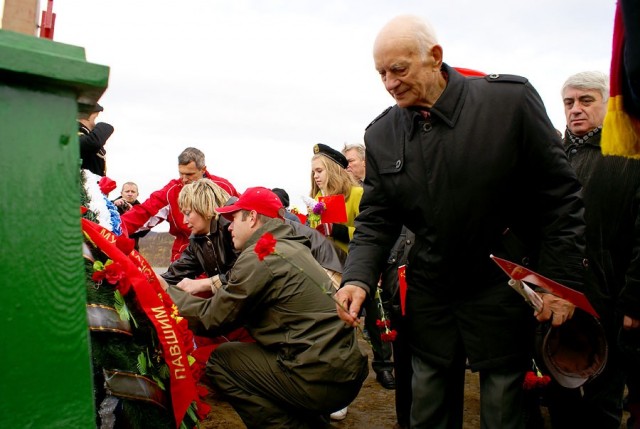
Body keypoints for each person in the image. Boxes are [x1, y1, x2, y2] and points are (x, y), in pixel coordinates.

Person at [335, 15, 589, 429]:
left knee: (505, 412)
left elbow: (560, 198)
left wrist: (559, 283)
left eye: (399, 69)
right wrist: (357, 278)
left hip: (502, 287)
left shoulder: (509, 103)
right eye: (381, 73)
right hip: (431, 292)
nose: (389, 83)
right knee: (428, 408)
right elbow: (377, 219)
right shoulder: (382, 135)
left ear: (434, 57)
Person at [163, 187, 368, 428]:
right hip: (340, 368)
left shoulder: (262, 255)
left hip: (318, 375)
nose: (228, 227)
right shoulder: (290, 246)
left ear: (252, 217)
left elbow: (212, 318)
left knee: (220, 362)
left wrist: (167, 293)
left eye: (234, 219)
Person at [548, 70, 640, 429]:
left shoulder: (631, 154)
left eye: (586, 101)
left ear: (609, 105)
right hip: (560, 298)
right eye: (569, 102)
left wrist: (634, 299)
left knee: (604, 399)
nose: (575, 109)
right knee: (560, 396)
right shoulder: (557, 159)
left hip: (610, 299)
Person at [121, 147, 239, 262]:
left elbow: (244, 212)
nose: (184, 179)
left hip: (223, 255)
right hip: (185, 256)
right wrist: (111, 230)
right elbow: (144, 212)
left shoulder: (224, 187)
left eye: (189, 174)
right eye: (181, 173)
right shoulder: (170, 193)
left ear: (203, 170)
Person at [77, 102, 113, 176]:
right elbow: (93, 142)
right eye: (96, 115)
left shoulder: (86, 134)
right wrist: (104, 126)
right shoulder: (75, 132)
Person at [111, 182, 148, 250]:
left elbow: (143, 233)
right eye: (127, 191)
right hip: (111, 244)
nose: (130, 194)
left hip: (131, 250)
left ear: (137, 194)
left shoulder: (142, 211)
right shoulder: (111, 204)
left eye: (133, 192)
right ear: (121, 193)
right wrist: (113, 205)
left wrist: (133, 214)